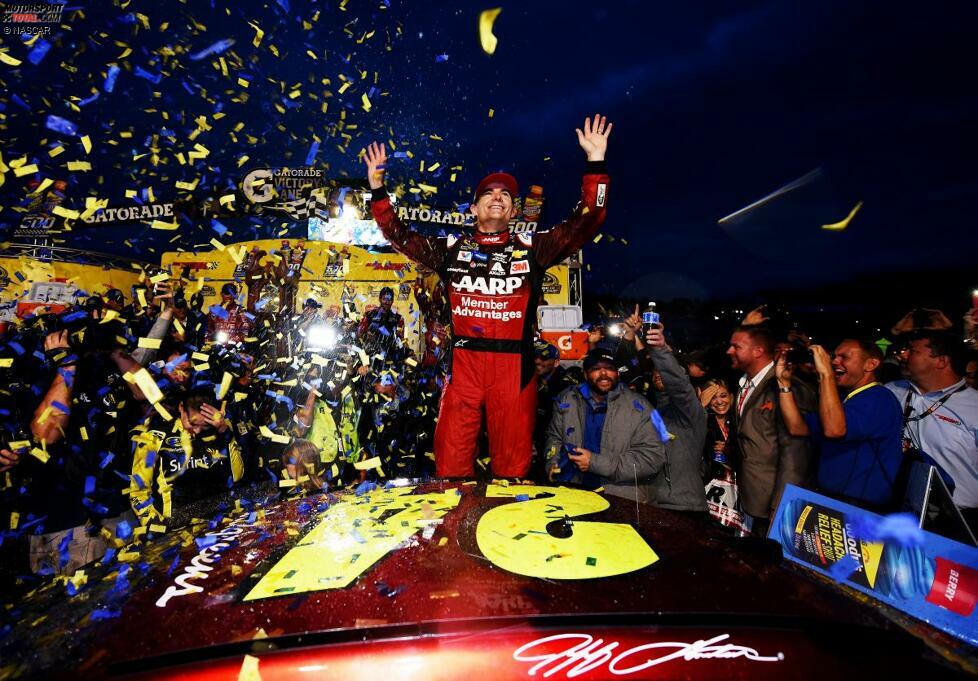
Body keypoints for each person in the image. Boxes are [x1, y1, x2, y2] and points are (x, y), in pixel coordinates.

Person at [364, 113, 612, 478]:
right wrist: (377, 189)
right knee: (450, 463)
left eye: (506, 195)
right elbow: (399, 235)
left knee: (512, 468)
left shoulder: (532, 248)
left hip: (515, 368)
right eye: (488, 194)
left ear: (513, 210)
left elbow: (588, 220)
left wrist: (596, 163)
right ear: (475, 207)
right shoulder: (450, 248)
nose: (498, 197)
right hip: (464, 363)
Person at [776, 340, 903, 510]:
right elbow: (797, 427)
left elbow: (835, 430)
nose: (835, 361)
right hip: (833, 500)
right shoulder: (844, 398)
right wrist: (784, 384)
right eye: (834, 356)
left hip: (860, 507)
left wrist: (826, 375)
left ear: (871, 364)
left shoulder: (880, 398)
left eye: (844, 357)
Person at [545, 348, 665, 502]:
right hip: (574, 496)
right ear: (585, 374)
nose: (603, 374)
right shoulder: (566, 399)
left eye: (609, 368)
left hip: (621, 500)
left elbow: (653, 458)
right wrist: (553, 462)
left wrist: (594, 462)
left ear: (617, 373)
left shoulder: (643, 407)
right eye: (596, 369)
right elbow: (553, 437)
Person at [727, 324, 815, 535]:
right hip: (750, 497)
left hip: (773, 506)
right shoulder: (743, 384)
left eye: (736, 346)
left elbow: (796, 455)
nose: (729, 351)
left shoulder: (788, 388)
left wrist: (782, 506)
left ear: (757, 351)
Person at [886, 331, 978, 526]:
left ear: (941, 361)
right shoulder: (891, 391)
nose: (904, 356)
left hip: (958, 519)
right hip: (899, 509)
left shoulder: (974, 407)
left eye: (913, 351)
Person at [644, 323, 708, 514]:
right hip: (655, 504)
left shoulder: (691, 412)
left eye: (664, 371)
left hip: (685, 506)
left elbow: (679, 387)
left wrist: (661, 350)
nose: (659, 374)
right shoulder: (654, 411)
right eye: (656, 370)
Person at [532, 341, 576, 481]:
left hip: (559, 444)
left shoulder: (567, 386)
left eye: (544, 358)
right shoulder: (528, 379)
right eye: (535, 357)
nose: (537, 361)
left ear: (556, 362)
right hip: (534, 442)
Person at [699, 379, 736, 482]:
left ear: (731, 396)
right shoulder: (702, 422)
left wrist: (729, 449)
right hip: (709, 486)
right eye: (713, 398)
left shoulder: (739, 421)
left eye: (723, 396)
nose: (719, 402)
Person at [356, 287, 404, 356]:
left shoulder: (398, 318)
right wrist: (368, 337)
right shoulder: (370, 314)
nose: (387, 302)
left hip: (390, 353)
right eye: (384, 299)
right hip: (371, 353)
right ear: (380, 299)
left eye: (389, 299)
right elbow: (359, 333)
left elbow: (401, 338)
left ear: (393, 300)